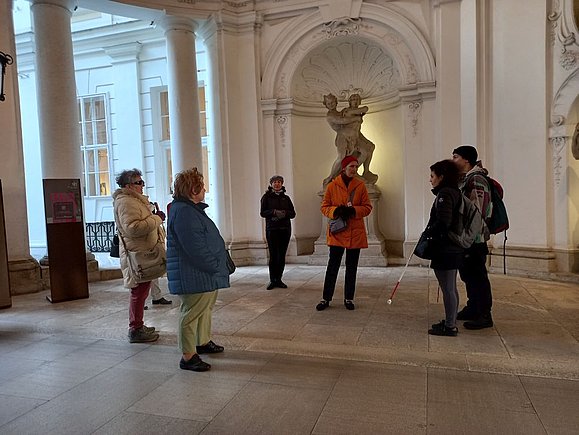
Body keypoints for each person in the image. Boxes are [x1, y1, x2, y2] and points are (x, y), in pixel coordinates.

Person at [166, 167, 230, 372]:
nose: (205, 190)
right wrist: (213, 264)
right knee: (191, 313)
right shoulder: (184, 212)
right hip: (194, 273)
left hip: (202, 273)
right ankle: (188, 356)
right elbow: (194, 246)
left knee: (204, 310)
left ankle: (202, 342)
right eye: (202, 187)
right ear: (193, 190)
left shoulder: (190, 209)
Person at [113, 168, 165, 343]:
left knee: (142, 291)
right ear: (129, 185)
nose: (142, 185)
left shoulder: (133, 200)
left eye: (142, 182)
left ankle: (138, 325)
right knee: (138, 292)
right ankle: (135, 328)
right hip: (138, 255)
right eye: (139, 182)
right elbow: (133, 228)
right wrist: (157, 219)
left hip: (144, 253)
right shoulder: (126, 202)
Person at [316, 155, 372, 311]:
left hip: (355, 232)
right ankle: (325, 298)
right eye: (351, 166)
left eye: (356, 166)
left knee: (351, 267)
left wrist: (353, 210)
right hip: (338, 232)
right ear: (344, 168)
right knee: (332, 266)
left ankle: (349, 298)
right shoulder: (332, 186)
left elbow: (367, 207)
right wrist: (336, 211)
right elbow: (324, 206)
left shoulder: (360, 186)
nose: (354, 169)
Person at [452, 145, 494, 330]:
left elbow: (478, 211)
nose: (453, 160)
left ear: (466, 160)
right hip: (467, 238)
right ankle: (473, 307)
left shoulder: (476, 179)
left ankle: (484, 314)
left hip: (474, 239)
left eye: (455, 157)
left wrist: (467, 237)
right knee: (468, 275)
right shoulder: (466, 179)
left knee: (478, 276)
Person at [424, 160, 465, 337]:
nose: (430, 180)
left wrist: (428, 232)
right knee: (450, 287)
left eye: (432, 176)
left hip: (446, 248)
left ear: (441, 177)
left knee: (447, 288)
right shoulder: (453, 192)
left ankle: (450, 326)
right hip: (450, 247)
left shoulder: (445, 194)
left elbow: (443, 222)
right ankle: (450, 320)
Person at [260, 175, 296, 290]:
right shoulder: (266, 197)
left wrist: (284, 213)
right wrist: (274, 212)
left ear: (282, 184)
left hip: (284, 229)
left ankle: (279, 279)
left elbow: (293, 214)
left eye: (279, 182)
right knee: (273, 256)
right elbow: (263, 212)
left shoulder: (286, 198)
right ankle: (272, 280)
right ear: (271, 184)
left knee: (281, 256)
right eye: (275, 182)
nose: (277, 184)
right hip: (272, 229)